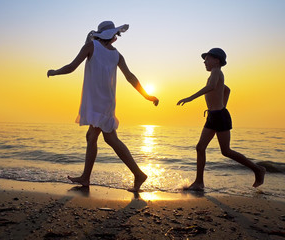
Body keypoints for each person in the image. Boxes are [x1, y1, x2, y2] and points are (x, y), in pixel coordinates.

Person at [47, 21, 159, 192]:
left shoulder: (91, 46)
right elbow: (130, 77)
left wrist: (54, 72)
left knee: (107, 138)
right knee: (93, 137)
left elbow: (71, 67)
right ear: (113, 37)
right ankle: (87, 177)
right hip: (106, 102)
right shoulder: (116, 55)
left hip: (96, 102)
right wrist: (146, 95)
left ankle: (137, 174)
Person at [177, 48, 265, 191]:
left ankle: (258, 169)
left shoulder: (216, 71)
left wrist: (190, 98)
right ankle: (199, 182)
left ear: (216, 60)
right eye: (204, 60)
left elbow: (211, 87)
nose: (204, 62)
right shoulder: (215, 73)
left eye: (207, 59)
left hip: (219, 116)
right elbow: (227, 90)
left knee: (226, 151)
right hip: (214, 116)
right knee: (200, 147)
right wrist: (221, 105)